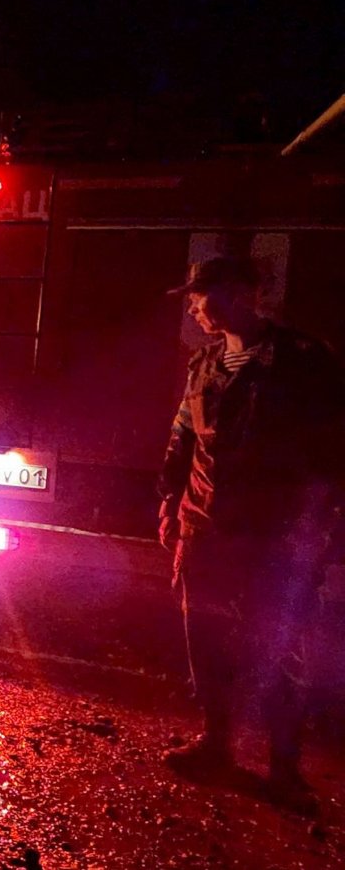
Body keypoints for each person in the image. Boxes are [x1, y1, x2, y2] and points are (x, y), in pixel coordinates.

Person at [156, 254, 345, 807]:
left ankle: (284, 769)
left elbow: (332, 453)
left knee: (277, 647)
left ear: (242, 292)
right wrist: (171, 503)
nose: (195, 307)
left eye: (203, 295)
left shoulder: (306, 362)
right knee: (206, 639)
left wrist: (321, 530)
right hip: (206, 527)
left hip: (276, 535)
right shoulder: (204, 364)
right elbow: (183, 438)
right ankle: (216, 744)